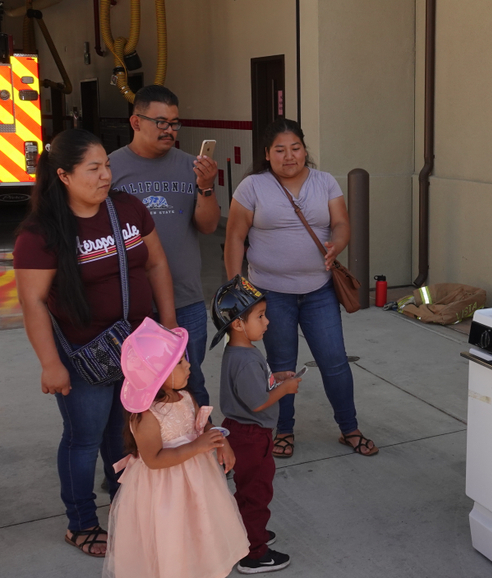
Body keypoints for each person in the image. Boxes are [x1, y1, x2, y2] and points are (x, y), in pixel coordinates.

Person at [14, 129, 177, 557]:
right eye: (94, 168)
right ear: (65, 176)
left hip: (138, 349)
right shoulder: (41, 233)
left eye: (107, 165)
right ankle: (81, 522)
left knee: (123, 432)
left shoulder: (128, 208)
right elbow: (31, 302)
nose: (106, 174)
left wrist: (170, 326)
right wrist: (51, 364)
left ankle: (126, 503)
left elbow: (157, 263)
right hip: (83, 355)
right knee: (84, 437)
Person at [223, 119, 377, 458]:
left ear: (305, 150)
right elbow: (234, 236)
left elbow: (341, 223)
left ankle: (349, 428)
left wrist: (337, 243)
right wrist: (238, 291)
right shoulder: (252, 186)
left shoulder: (324, 183)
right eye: (279, 150)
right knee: (281, 364)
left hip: (319, 292)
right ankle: (285, 430)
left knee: (334, 361)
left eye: (295, 148)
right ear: (267, 154)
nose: (288, 156)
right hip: (270, 293)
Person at [104, 317, 249, 578]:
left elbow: (202, 425)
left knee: (199, 531)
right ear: (159, 374)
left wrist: (221, 442)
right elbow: (154, 459)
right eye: (180, 362)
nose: (189, 365)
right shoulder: (147, 416)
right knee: (172, 538)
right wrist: (197, 447)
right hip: (165, 491)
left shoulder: (184, 396)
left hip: (196, 483)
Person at [109, 85, 220, 408]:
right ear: (136, 122)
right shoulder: (111, 168)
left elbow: (209, 226)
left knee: (190, 379)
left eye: (174, 123)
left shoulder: (192, 166)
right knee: (137, 387)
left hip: (186, 299)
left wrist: (206, 187)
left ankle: (198, 453)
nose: (169, 130)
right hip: (132, 303)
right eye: (161, 122)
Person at [210, 275, 300, 573]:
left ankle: (247, 533)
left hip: (241, 431)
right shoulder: (247, 359)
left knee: (247, 490)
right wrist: (284, 390)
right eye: (260, 316)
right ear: (237, 323)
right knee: (256, 492)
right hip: (251, 435)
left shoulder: (239, 352)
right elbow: (257, 402)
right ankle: (254, 551)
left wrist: (277, 379)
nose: (267, 322)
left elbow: (254, 388)